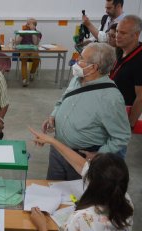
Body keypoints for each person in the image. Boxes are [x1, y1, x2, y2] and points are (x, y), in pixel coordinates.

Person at [28, 128, 134, 231]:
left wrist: (42, 227)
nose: (88, 161)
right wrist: (52, 140)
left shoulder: (82, 219)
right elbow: (81, 165)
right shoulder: (126, 201)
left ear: (93, 183)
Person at [41, 42, 131, 180]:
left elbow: (121, 136)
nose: (76, 61)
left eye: (81, 58)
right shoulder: (77, 79)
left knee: (75, 197)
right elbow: (62, 100)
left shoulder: (110, 98)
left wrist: (100, 154)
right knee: (53, 188)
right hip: (58, 150)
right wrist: (54, 115)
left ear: (94, 67)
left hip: (81, 158)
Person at [111, 15, 142, 129]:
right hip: (112, 109)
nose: (117, 36)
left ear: (136, 35)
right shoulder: (121, 50)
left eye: (123, 33)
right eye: (117, 31)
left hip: (122, 116)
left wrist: (130, 124)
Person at [15, 18, 41, 87]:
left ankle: (32, 73)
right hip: (24, 49)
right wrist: (20, 35)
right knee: (24, 58)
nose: (27, 24)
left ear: (34, 25)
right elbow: (17, 43)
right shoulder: (24, 31)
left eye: (29, 23)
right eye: (27, 23)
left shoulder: (38, 33)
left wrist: (32, 31)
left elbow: (35, 43)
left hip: (33, 49)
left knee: (37, 58)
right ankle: (24, 79)